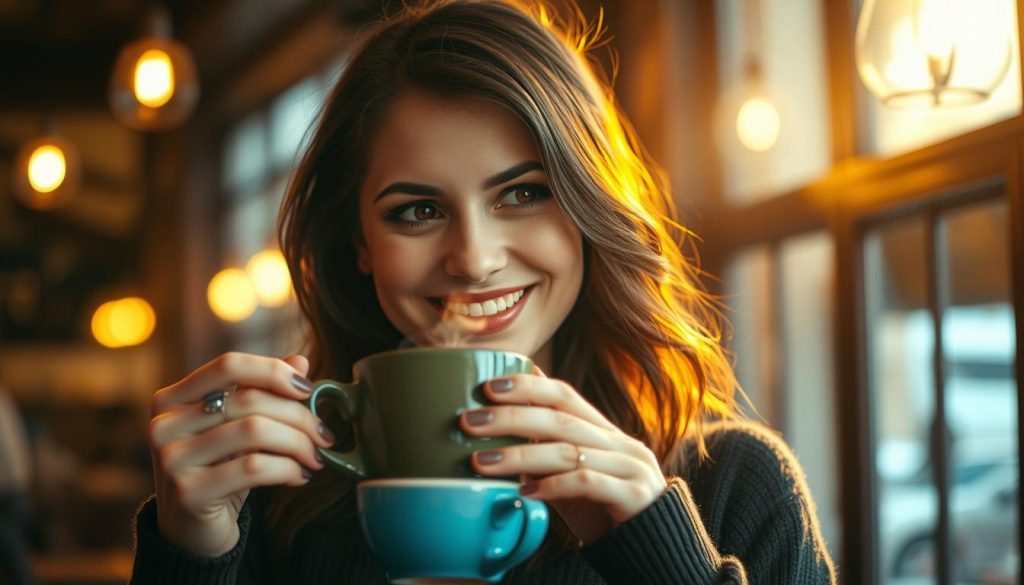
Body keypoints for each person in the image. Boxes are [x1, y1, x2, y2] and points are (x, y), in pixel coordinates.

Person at [131, 1, 837, 583]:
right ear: (359, 245)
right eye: (418, 210)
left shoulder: (737, 486)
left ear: (588, 210)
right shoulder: (270, 504)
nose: (473, 260)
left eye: (523, 194)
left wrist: (661, 558)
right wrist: (189, 552)